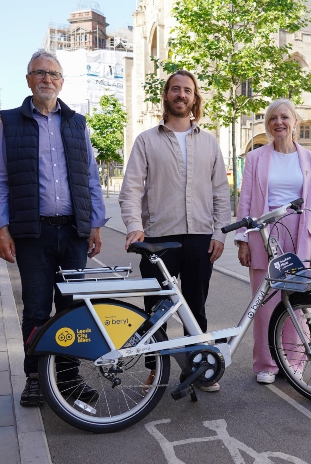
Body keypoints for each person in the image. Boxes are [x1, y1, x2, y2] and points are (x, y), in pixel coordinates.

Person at [0, 49, 108, 407]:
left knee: (72, 308)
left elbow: (90, 177)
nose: (46, 79)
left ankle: (68, 378)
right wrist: (1, 227)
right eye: (39, 73)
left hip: (73, 231)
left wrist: (96, 224)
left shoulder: (76, 122)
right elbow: (2, 180)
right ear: (28, 80)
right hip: (32, 233)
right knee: (37, 309)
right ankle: (36, 378)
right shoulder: (11, 122)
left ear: (61, 82)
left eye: (53, 74)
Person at [120, 70, 231, 392]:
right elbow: (131, 189)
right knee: (155, 311)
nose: (181, 95)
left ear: (195, 99)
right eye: (175, 90)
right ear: (166, 95)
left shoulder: (209, 143)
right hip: (158, 240)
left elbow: (220, 193)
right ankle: (156, 371)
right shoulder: (146, 141)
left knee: (195, 309)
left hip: (199, 239)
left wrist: (220, 234)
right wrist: (134, 228)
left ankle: (198, 368)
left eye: (187, 91)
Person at [234, 99, 311, 384]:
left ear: (295, 122)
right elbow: (246, 201)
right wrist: (242, 240)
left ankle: (294, 361)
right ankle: (266, 363)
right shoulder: (255, 158)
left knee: (297, 303)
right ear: (268, 124)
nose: (279, 122)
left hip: (300, 234)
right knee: (264, 303)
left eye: (284, 117)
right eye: (273, 118)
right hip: (264, 235)